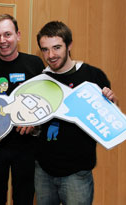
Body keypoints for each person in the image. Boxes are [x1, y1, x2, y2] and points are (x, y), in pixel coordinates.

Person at [35, 21, 118, 205]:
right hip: (43, 171)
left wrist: (110, 103)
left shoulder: (93, 76)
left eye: (57, 48)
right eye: (45, 49)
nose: (51, 55)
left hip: (77, 173)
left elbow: (107, 115)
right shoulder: (39, 80)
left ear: (69, 45)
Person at [0, 14, 45, 205]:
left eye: (7, 34)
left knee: (24, 198)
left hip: (27, 148)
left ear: (18, 35)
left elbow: (44, 105)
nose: (2, 41)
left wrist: (35, 122)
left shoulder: (35, 65)